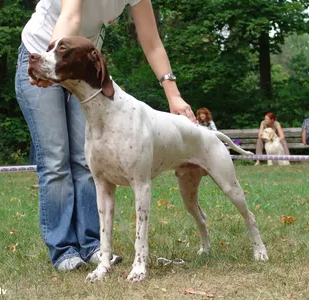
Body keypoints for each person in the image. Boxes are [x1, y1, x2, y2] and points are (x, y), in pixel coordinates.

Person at [15, 0, 196, 271]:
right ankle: (64, 251)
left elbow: (152, 41)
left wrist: (174, 95)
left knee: (85, 161)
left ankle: (93, 246)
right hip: (43, 51)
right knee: (55, 159)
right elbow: (71, 17)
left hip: (81, 68)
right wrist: (48, 64)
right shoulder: (49, 54)